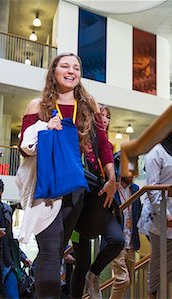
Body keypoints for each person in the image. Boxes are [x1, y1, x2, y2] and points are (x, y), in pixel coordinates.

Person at [17, 52, 116, 298]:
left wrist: (112, 178)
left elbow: (103, 144)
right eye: (65, 66)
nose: (71, 71)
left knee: (57, 247)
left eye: (76, 67)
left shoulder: (89, 107)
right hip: (47, 188)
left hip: (76, 189)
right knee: (50, 249)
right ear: (54, 72)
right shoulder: (37, 106)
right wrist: (44, 129)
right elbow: (23, 147)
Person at [70, 103, 123, 299]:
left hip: (102, 205)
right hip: (81, 210)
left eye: (107, 116)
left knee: (117, 240)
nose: (104, 119)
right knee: (81, 263)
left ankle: (94, 274)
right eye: (101, 115)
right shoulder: (82, 140)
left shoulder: (109, 148)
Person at [143, 122, 172, 299]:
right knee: (159, 258)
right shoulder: (155, 152)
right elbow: (152, 188)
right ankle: (153, 294)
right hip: (161, 214)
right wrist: (165, 214)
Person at [109, 175, 142, 299]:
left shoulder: (135, 189)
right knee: (122, 279)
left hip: (131, 241)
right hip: (117, 241)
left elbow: (138, 214)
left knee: (130, 280)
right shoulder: (112, 188)